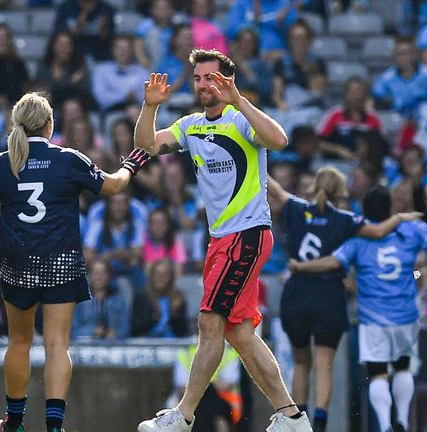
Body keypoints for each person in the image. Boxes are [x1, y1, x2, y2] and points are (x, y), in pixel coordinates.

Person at [133, 50, 311, 431]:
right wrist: (149, 108)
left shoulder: (240, 119)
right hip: (221, 242)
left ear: (228, 81)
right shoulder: (191, 124)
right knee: (238, 332)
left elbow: (278, 140)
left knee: (210, 321)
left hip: (245, 235)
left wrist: (240, 101)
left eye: (211, 78)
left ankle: (182, 416)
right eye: (198, 79)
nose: (203, 85)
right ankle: (292, 418)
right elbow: (147, 144)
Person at [0, 92, 150, 432]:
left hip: (16, 263)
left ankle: (14, 421)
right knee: (57, 343)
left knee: (19, 341)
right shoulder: (68, 159)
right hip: (60, 261)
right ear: (50, 124)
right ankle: (54, 426)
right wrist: (132, 163)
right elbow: (114, 186)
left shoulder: (2, 162)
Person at [266, 167, 422, 432]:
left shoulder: (298, 209)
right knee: (325, 365)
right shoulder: (348, 221)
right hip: (337, 298)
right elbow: (379, 233)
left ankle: (298, 423)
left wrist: (254, 156)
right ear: (342, 193)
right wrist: (401, 220)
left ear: (314, 187)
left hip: (300, 297)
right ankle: (323, 423)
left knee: (302, 363)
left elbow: (275, 191)